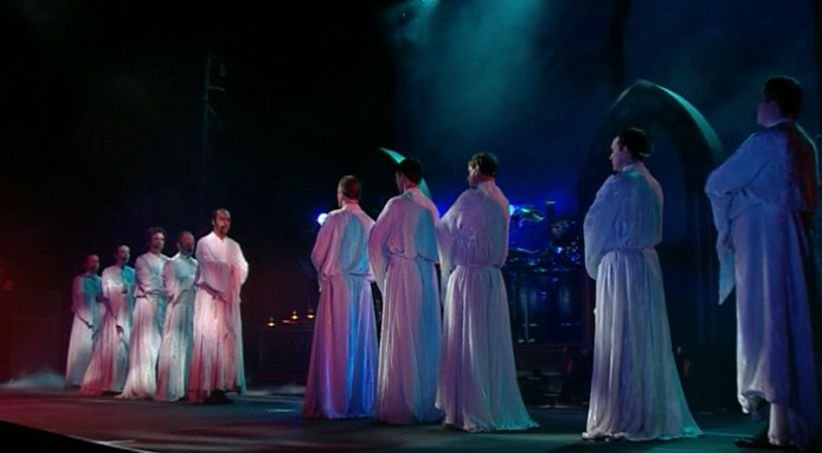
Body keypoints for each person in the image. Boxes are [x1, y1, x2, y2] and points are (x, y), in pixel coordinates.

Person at [706, 76, 820, 449]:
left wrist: (730, 219)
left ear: (772, 103)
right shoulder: (803, 144)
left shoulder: (764, 142)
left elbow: (718, 182)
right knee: (792, 321)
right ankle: (784, 422)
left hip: (765, 245)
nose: (757, 106)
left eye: (761, 99)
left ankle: (781, 426)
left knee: (768, 321)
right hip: (794, 242)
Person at [582, 127, 701, 441]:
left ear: (625, 149)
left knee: (621, 333)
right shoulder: (653, 184)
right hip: (645, 267)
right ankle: (647, 409)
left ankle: (623, 411)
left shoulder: (618, 184)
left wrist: (595, 262)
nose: (611, 155)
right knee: (643, 334)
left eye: (614, 149)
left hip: (620, 264)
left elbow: (594, 224)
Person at [436, 152, 537, 432]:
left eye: (469, 169)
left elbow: (444, 231)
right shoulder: (502, 200)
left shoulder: (469, 198)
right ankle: (490, 403)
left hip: (469, 276)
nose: (467, 175)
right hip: (492, 278)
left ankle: (467, 408)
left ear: (478, 169)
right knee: (488, 341)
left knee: (468, 340)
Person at [368, 158, 441, 423]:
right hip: (426, 274)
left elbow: (375, 241)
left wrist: (382, 276)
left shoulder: (396, 204)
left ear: (401, 177)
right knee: (425, 333)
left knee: (402, 331)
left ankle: (403, 400)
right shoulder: (430, 207)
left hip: (402, 272)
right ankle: (427, 398)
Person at [302, 176, 378, 418]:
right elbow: (377, 259)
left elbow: (318, 254)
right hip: (361, 287)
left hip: (338, 285)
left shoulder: (334, 219)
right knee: (358, 341)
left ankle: (333, 399)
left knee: (336, 339)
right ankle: (357, 399)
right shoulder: (370, 222)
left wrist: (325, 273)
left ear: (341, 194)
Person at [188, 209, 249, 404]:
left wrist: (231, 271)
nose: (225, 223)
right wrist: (228, 269)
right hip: (210, 297)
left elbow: (243, 267)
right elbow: (208, 265)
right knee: (210, 340)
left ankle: (221, 386)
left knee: (226, 342)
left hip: (228, 299)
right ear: (213, 221)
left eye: (228, 219)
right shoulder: (204, 243)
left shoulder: (233, 245)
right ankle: (206, 387)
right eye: (221, 219)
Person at [117, 227, 169, 399]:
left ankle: (162, 384)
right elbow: (148, 283)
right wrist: (164, 287)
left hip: (164, 305)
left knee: (163, 346)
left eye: (162, 239)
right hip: (147, 305)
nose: (159, 242)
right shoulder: (142, 260)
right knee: (147, 345)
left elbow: (171, 282)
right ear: (149, 241)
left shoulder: (167, 261)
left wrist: (166, 288)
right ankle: (144, 384)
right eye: (156, 239)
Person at [81, 245, 135, 394]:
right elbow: (106, 291)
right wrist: (122, 289)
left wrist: (129, 289)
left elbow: (137, 290)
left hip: (128, 315)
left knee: (126, 349)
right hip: (113, 315)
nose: (125, 255)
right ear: (116, 255)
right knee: (114, 348)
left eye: (127, 252)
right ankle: (110, 383)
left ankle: (123, 383)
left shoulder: (132, 272)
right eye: (122, 252)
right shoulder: (108, 272)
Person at [155, 231, 198, 402]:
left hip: (194, 309)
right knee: (176, 347)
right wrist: (189, 282)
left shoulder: (196, 264)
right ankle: (174, 388)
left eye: (192, 243)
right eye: (187, 243)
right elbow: (171, 289)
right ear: (179, 245)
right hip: (178, 309)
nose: (190, 246)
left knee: (191, 348)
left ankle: (190, 387)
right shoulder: (171, 264)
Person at [65, 254, 102, 388]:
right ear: (86, 264)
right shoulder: (80, 279)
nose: (95, 264)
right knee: (82, 346)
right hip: (83, 317)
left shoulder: (100, 280)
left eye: (97, 261)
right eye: (92, 261)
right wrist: (87, 317)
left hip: (97, 315)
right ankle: (78, 379)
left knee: (95, 347)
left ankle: (93, 378)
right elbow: (79, 297)